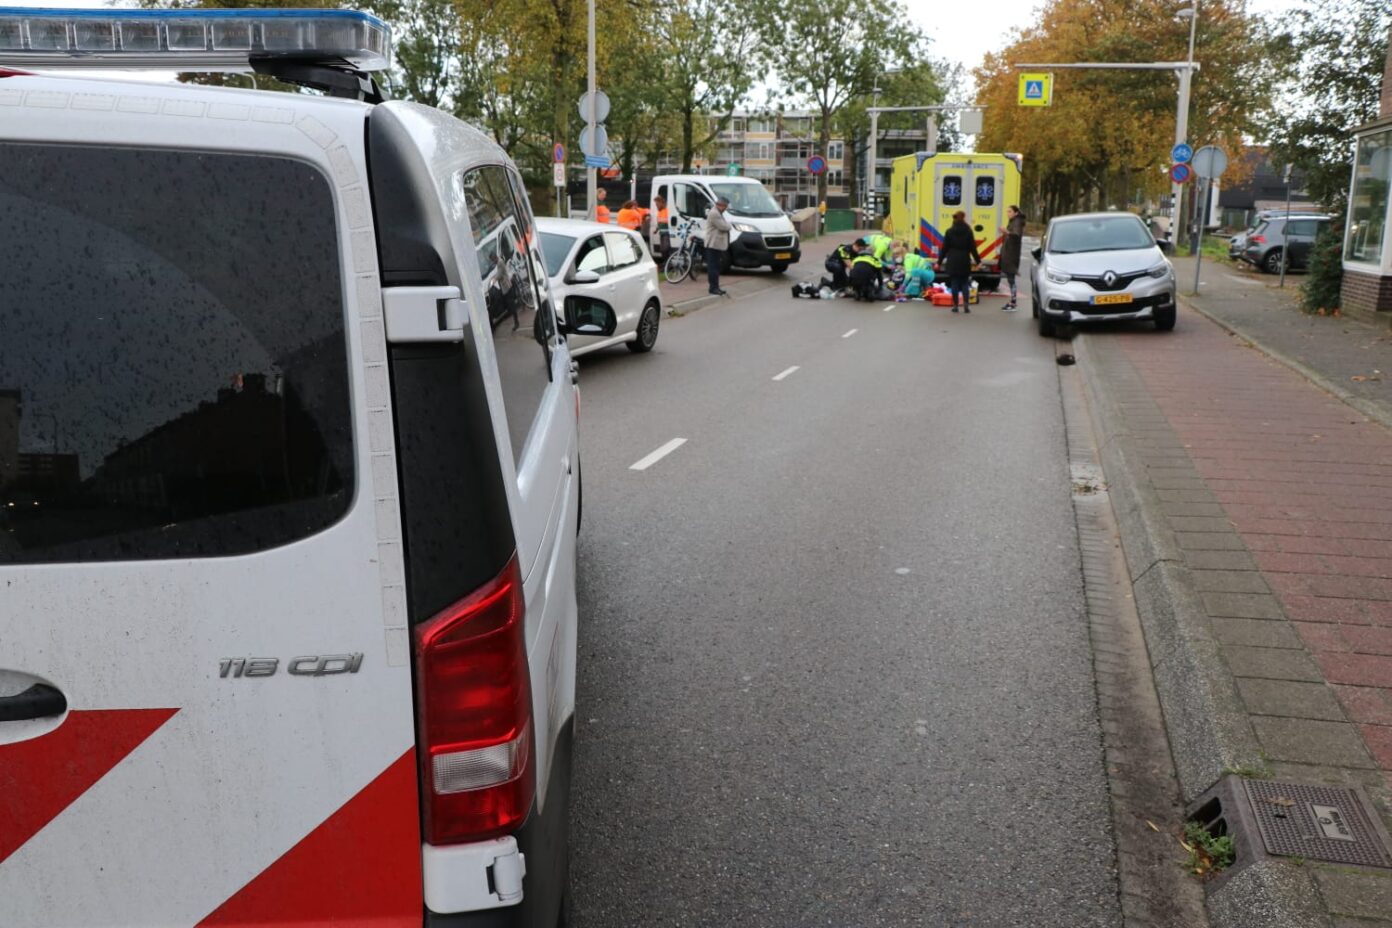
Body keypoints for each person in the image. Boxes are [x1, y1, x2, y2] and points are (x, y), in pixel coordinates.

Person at [937, 210, 981, 313]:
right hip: (964, 259)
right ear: (964, 218)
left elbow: (944, 249)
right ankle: (966, 304)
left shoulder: (949, 231)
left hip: (953, 259)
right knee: (965, 283)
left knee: (954, 283)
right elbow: (973, 248)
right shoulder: (968, 231)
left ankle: (955, 305)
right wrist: (978, 261)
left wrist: (939, 262)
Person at [999, 205, 1026, 311]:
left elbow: (1016, 235)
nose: (1008, 213)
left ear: (1016, 213)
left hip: (1012, 255)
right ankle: (1012, 301)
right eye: (1007, 211)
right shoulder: (1014, 221)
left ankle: (1013, 302)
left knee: (1011, 279)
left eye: (1010, 211)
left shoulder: (1017, 222)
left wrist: (1006, 231)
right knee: (1010, 279)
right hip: (1009, 253)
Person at [704, 196, 733, 296]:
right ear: (721, 205)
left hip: (716, 245)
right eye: (725, 206)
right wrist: (729, 225)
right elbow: (723, 226)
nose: (725, 209)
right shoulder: (714, 213)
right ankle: (713, 288)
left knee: (716, 267)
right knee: (713, 267)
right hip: (713, 244)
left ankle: (716, 287)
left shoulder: (717, 212)